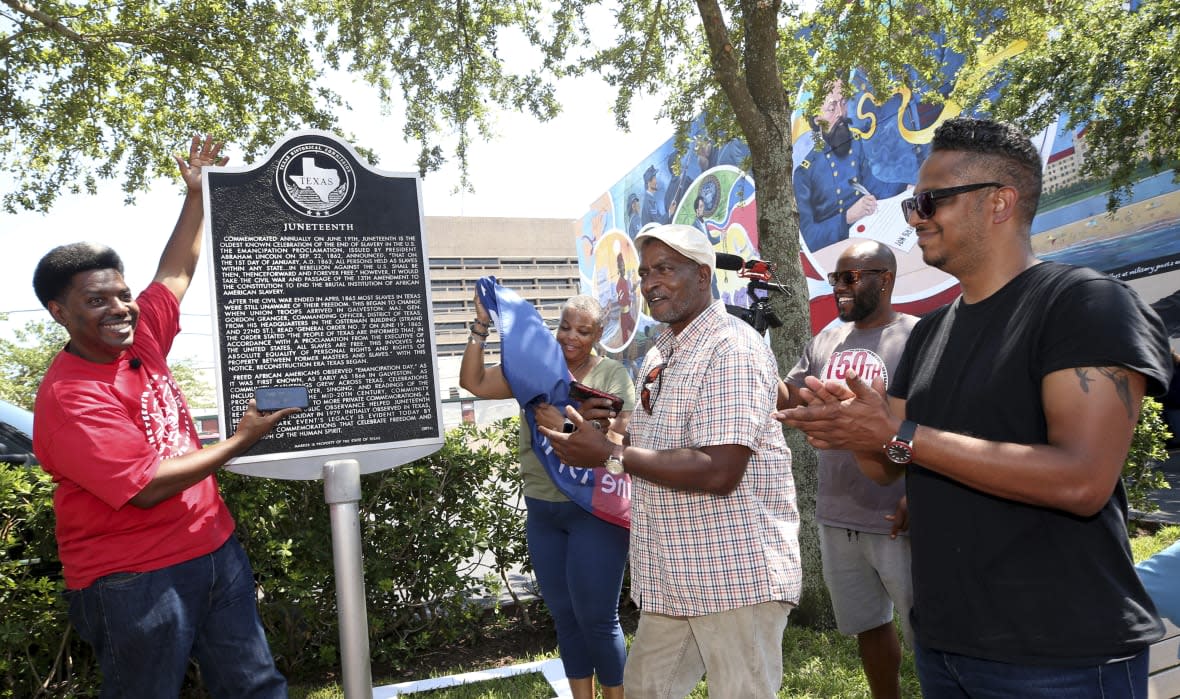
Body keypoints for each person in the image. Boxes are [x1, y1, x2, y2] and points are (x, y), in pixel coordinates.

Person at [779, 117, 1173, 697]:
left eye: (928, 201)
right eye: (914, 204)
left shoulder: (1083, 304)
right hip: (945, 648)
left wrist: (900, 432)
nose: (915, 218)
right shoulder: (932, 331)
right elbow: (889, 464)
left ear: (999, 202)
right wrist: (855, 428)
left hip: (1058, 656)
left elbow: (1082, 479)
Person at [31, 136, 297, 698]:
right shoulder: (70, 397)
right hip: (133, 578)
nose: (120, 308)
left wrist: (196, 195)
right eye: (97, 301)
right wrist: (242, 439)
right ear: (59, 312)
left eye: (122, 294)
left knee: (255, 685)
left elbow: (176, 271)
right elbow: (146, 488)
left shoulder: (139, 336)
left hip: (214, 548)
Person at [543, 224, 800, 698]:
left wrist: (611, 454)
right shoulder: (663, 348)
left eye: (665, 269)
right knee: (643, 691)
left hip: (734, 576)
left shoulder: (733, 348)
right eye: (644, 272)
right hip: (673, 575)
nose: (649, 283)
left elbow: (719, 469)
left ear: (704, 276)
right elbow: (649, 443)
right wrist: (602, 431)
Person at [459, 293, 635, 699]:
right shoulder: (534, 369)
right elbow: (473, 382)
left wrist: (568, 428)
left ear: (599, 335)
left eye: (583, 330)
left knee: (597, 619)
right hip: (543, 512)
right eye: (565, 326)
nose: (571, 337)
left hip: (593, 512)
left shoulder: (613, 377)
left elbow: (614, 453)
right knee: (566, 618)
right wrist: (481, 326)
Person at [777, 240, 915, 699]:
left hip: (900, 515)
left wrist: (921, 493)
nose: (839, 288)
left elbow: (939, 424)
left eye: (849, 278)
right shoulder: (826, 338)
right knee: (868, 627)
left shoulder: (917, 336)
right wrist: (752, 355)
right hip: (839, 516)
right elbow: (791, 395)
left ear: (886, 279)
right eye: (835, 278)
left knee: (931, 634)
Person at [794, 80, 907, 251]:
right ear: (817, 119)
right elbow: (808, 237)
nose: (840, 113)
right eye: (831, 109)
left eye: (843, 103)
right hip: (835, 250)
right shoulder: (805, 172)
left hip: (867, 233)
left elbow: (872, 185)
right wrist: (848, 217)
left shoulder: (854, 144)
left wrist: (907, 187)